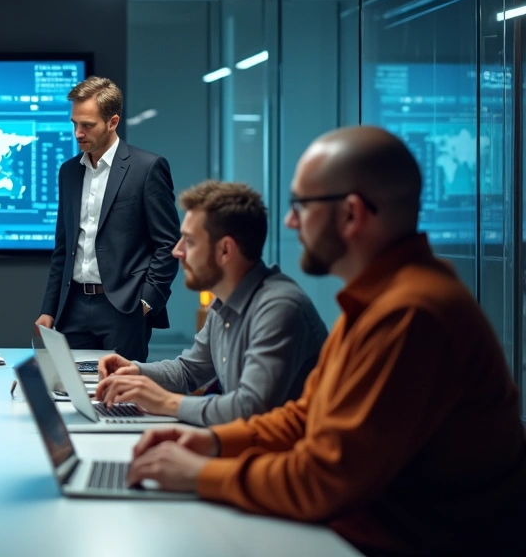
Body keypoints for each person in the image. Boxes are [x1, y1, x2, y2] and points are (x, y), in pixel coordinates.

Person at [124, 127, 526, 556]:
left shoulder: (411, 312)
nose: (289, 221)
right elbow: (304, 417)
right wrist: (214, 442)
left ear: (351, 214)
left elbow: (322, 480)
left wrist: (200, 473)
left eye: (301, 205)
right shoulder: (379, 301)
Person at [93, 181, 327, 426]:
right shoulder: (225, 302)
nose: (177, 251)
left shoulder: (279, 308)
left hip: (275, 458)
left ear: (226, 250)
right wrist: (135, 371)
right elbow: (187, 372)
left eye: (190, 242)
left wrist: (163, 402)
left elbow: (250, 408)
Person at [35, 76, 179, 362]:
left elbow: (169, 244)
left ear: (113, 122)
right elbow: (63, 247)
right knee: (68, 393)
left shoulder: (147, 168)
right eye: (74, 123)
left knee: (121, 398)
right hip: (72, 306)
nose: (78, 133)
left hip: (124, 307)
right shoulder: (68, 172)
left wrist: (146, 301)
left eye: (87, 125)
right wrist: (49, 309)